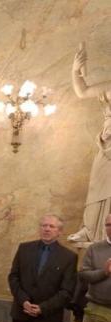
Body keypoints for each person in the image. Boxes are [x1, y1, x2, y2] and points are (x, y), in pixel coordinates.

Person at [68, 42, 111, 243]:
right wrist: (76, 70)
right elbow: (82, 92)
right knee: (98, 182)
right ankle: (91, 229)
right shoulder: (110, 87)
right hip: (108, 143)